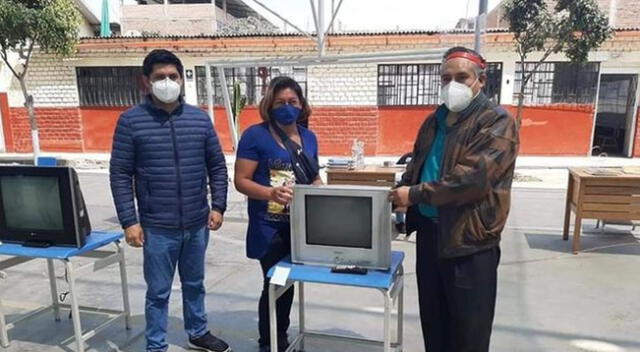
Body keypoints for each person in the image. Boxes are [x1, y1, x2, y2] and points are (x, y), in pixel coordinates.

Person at [389, 46, 519, 352]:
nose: (453, 84)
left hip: (469, 243)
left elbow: (473, 180)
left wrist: (415, 194)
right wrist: (399, 195)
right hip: (431, 237)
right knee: (434, 325)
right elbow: (417, 167)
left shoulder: (496, 122)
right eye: (446, 78)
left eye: (462, 76)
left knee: (468, 334)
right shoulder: (434, 121)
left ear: (481, 81)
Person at [110, 49, 230, 352]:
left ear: (181, 79)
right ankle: (155, 345)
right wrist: (129, 221)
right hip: (156, 227)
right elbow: (120, 174)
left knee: (194, 284)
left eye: (173, 76)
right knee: (159, 291)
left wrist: (218, 206)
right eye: (160, 77)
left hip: (196, 222)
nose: (167, 82)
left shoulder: (199, 120)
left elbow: (216, 166)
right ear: (146, 82)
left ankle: (198, 332)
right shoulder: (131, 122)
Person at [234, 76, 321, 352]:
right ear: (269, 104)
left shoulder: (309, 137)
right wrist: (270, 193)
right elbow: (241, 180)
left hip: (300, 227)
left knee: (289, 283)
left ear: (301, 104)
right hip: (269, 228)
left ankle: (279, 336)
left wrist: (323, 193)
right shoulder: (255, 135)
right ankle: (270, 343)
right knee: (274, 283)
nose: (287, 107)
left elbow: (314, 176)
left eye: (292, 102)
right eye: (280, 102)